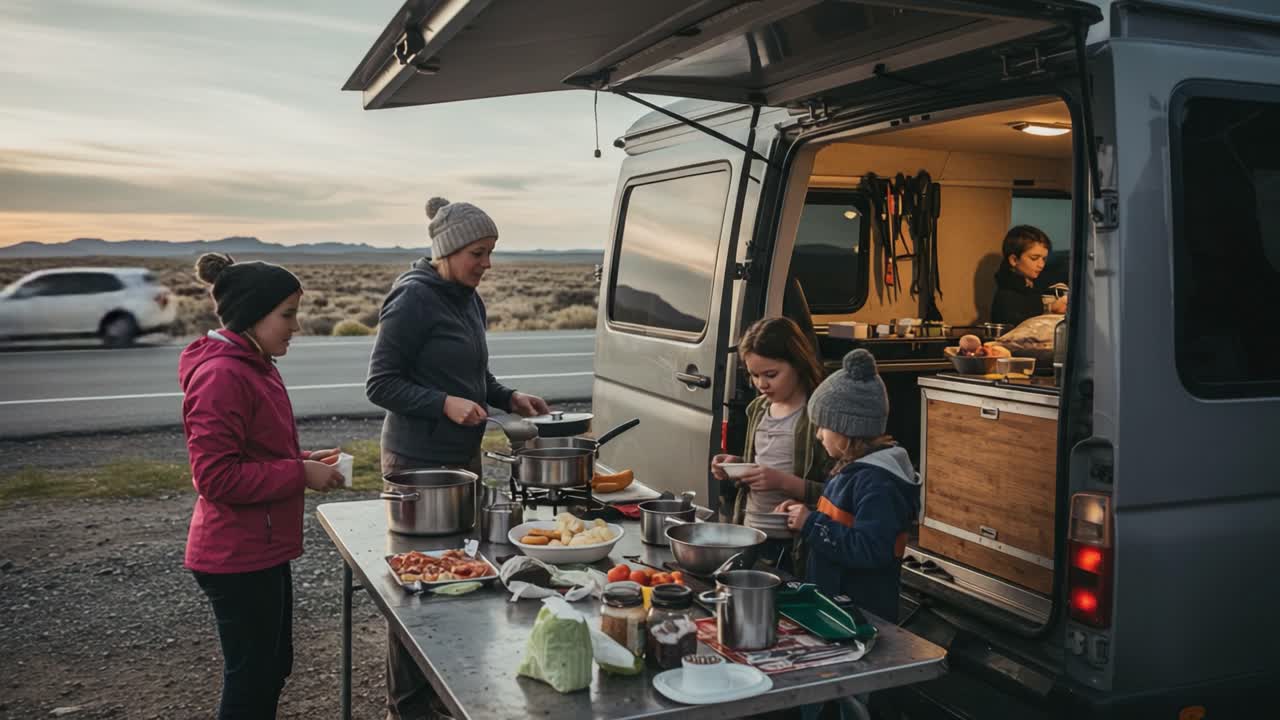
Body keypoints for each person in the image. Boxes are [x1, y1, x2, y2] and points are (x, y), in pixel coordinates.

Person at [366, 196, 549, 720]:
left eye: (490, 252)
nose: (487, 264)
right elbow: (381, 384)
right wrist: (443, 404)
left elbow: (470, 374)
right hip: (416, 463)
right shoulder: (413, 299)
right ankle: (407, 708)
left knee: (460, 578)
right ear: (447, 251)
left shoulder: (467, 298)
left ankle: (446, 695)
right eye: (478, 253)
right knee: (420, 587)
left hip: (459, 459)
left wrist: (507, 396)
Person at [181, 252, 345, 720]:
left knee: (272, 668)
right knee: (252, 678)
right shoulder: (223, 375)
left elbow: (253, 454)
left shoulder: (255, 362)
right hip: (235, 556)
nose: (296, 326)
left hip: (261, 547)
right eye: (287, 315)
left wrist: (304, 460)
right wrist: (298, 474)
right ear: (252, 315)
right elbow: (214, 477)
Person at [777, 349, 920, 622]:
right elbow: (844, 519)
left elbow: (869, 549)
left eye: (823, 427)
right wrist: (805, 512)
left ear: (848, 429)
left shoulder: (879, 484)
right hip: (835, 605)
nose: (818, 435)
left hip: (861, 613)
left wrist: (811, 524)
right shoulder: (852, 469)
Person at [711, 317, 830, 573]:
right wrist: (737, 467)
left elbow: (835, 495)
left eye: (771, 375)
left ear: (798, 363)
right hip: (751, 534)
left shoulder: (817, 419)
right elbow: (761, 467)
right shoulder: (758, 409)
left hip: (794, 547)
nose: (761, 384)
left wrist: (783, 482)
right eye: (754, 375)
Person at [990, 225, 1067, 327]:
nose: (1041, 265)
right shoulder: (1006, 295)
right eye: (1034, 258)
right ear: (1014, 260)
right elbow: (1022, 330)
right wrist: (1050, 309)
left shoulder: (1035, 283)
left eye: (1044, 259)